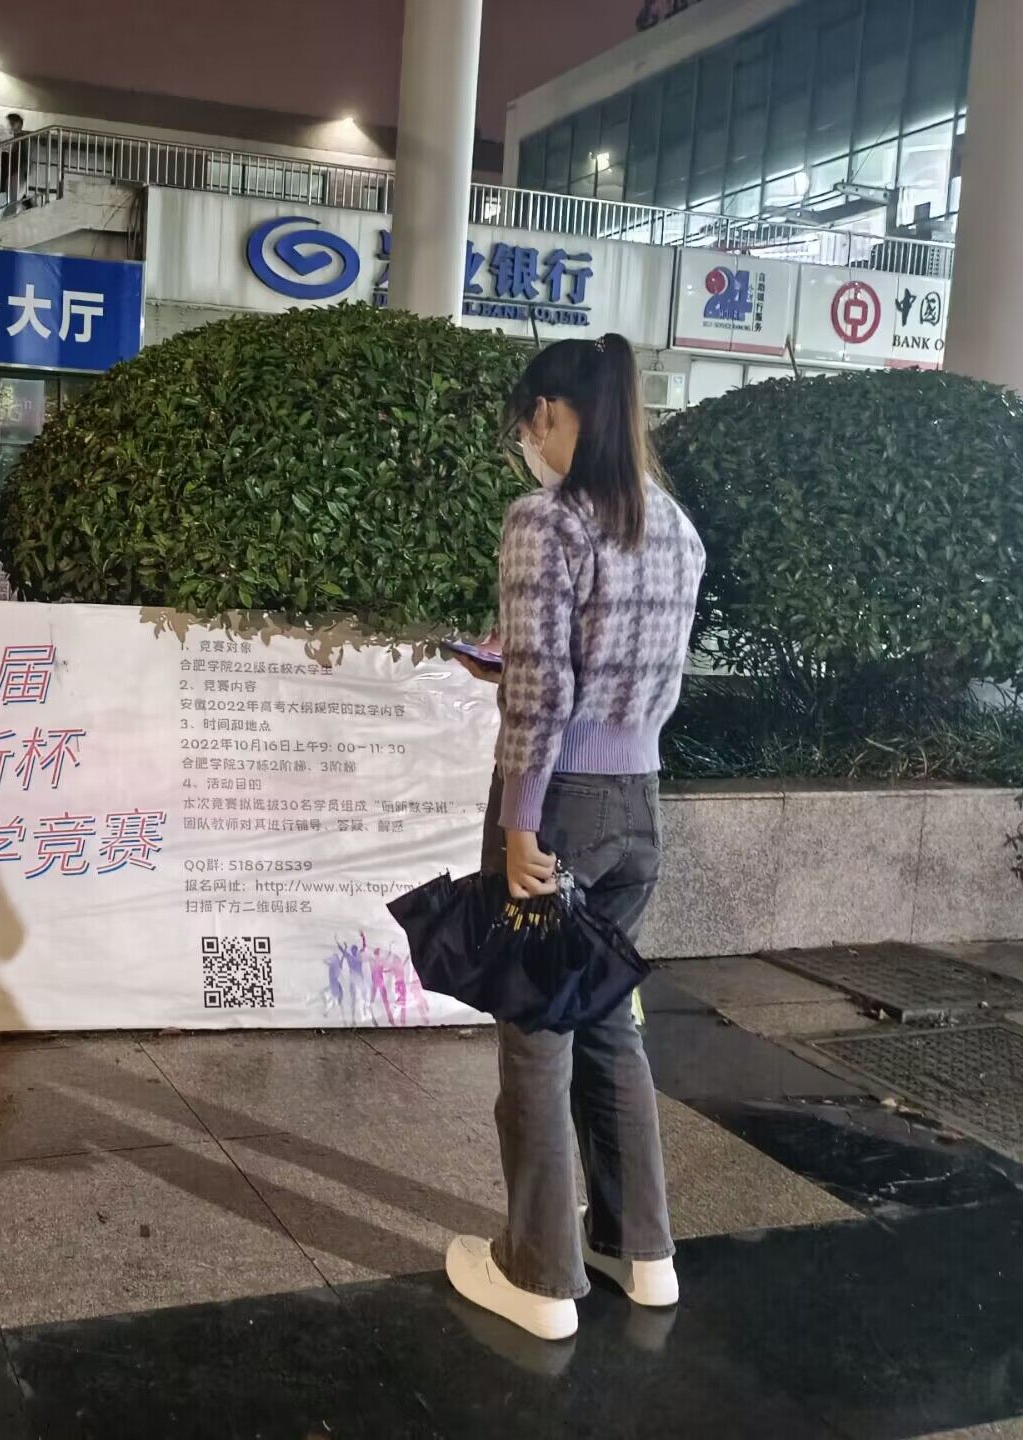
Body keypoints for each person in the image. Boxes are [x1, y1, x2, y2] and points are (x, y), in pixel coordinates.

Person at [445, 333, 706, 1342]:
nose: (528, 445)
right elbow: (634, 672)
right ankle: (645, 1255)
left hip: (559, 807)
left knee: (536, 1037)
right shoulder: (673, 525)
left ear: (552, 414)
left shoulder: (544, 520)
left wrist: (519, 822)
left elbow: (543, 694)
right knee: (606, 1021)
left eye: (528, 425)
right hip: (639, 802)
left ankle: (541, 1278)